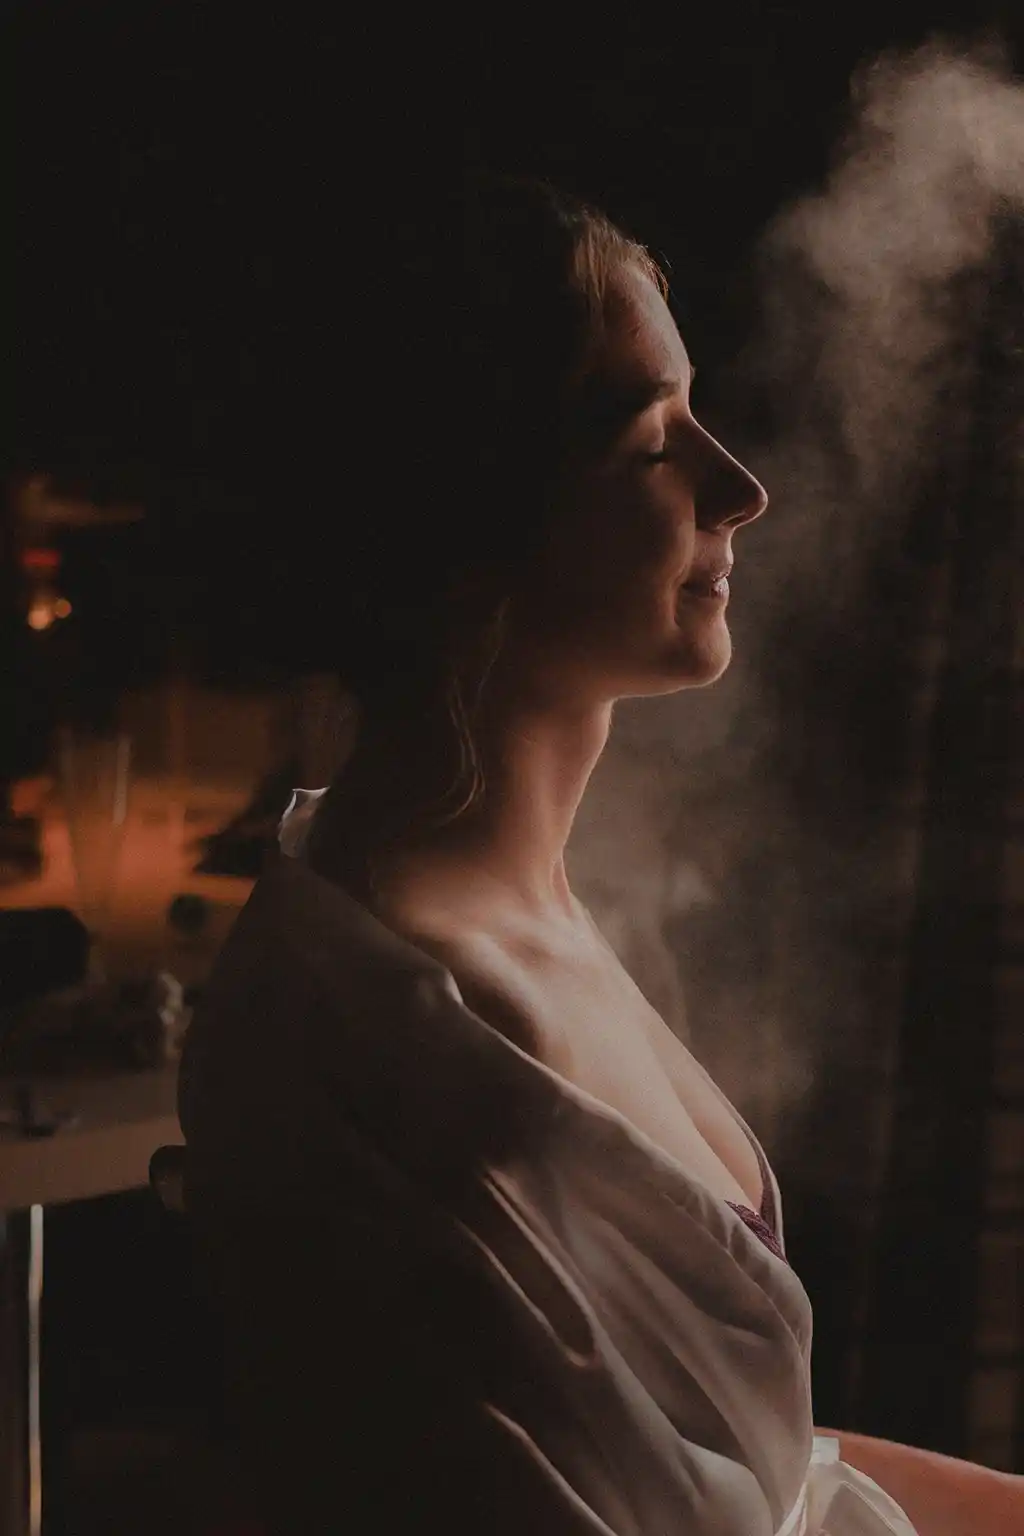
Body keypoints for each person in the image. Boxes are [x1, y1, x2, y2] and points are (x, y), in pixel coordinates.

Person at [178, 175, 1022, 1534]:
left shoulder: (530, 912)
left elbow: (755, 1474)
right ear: (470, 523)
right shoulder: (408, 1041)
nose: (741, 490)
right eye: (651, 444)